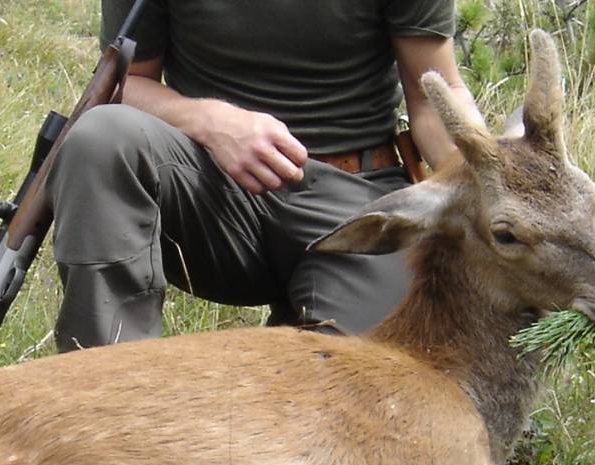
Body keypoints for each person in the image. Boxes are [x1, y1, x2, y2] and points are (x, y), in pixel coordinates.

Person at [45, 0, 480, 352]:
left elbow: (433, 95)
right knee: (99, 136)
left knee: (365, 399)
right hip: (210, 194)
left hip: (356, 202)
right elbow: (126, 84)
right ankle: (110, 393)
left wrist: (491, 187)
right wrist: (204, 119)